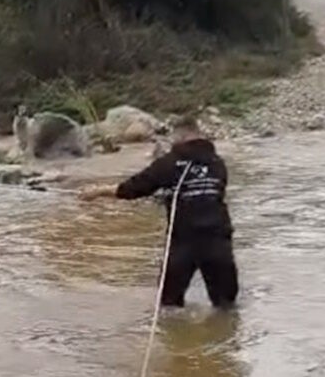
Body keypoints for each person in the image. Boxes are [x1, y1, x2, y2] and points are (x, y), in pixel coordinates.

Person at [79, 116, 238, 309]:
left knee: (169, 304)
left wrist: (98, 192)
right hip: (218, 237)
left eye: (173, 136)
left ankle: (173, 336)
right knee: (226, 306)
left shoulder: (170, 163)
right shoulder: (217, 163)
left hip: (184, 240)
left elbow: (133, 188)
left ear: (181, 135)